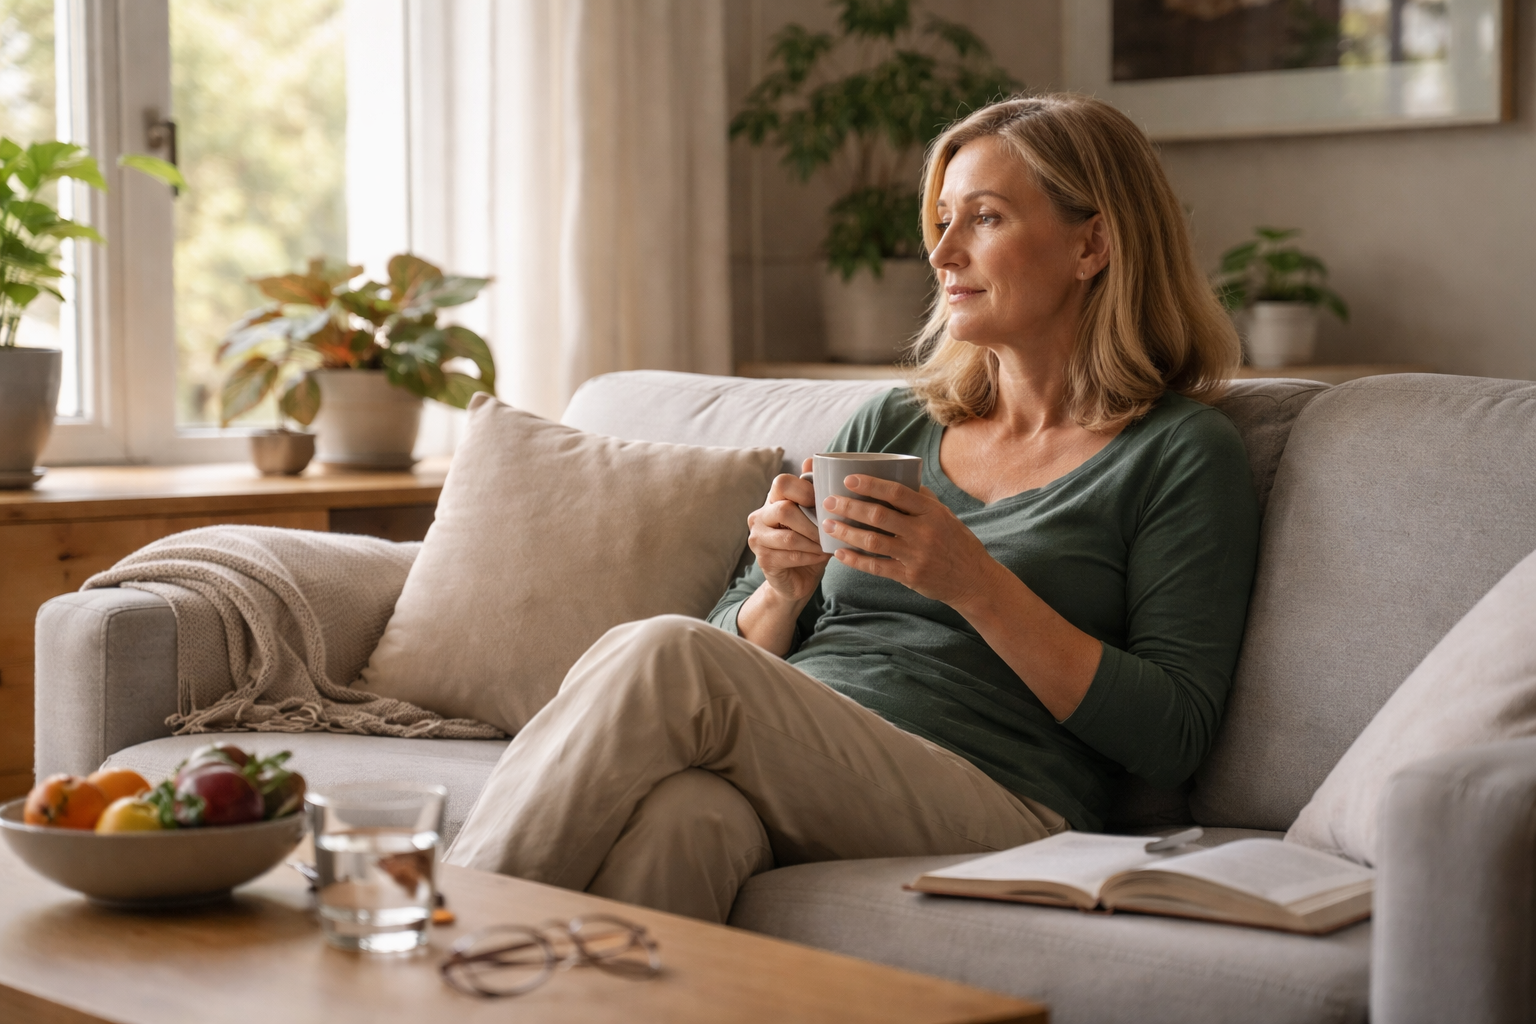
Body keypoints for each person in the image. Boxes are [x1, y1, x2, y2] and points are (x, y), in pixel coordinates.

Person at [446, 93, 1260, 924]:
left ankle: (438, 944)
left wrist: (973, 582)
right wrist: (780, 591)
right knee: (684, 821)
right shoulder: (894, 423)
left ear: (1092, 243)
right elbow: (738, 631)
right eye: (941, 220)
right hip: (810, 754)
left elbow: (1174, 733)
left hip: (1003, 798)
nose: (942, 252)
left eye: (983, 218)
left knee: (666, 654)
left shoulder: (1178, 453)